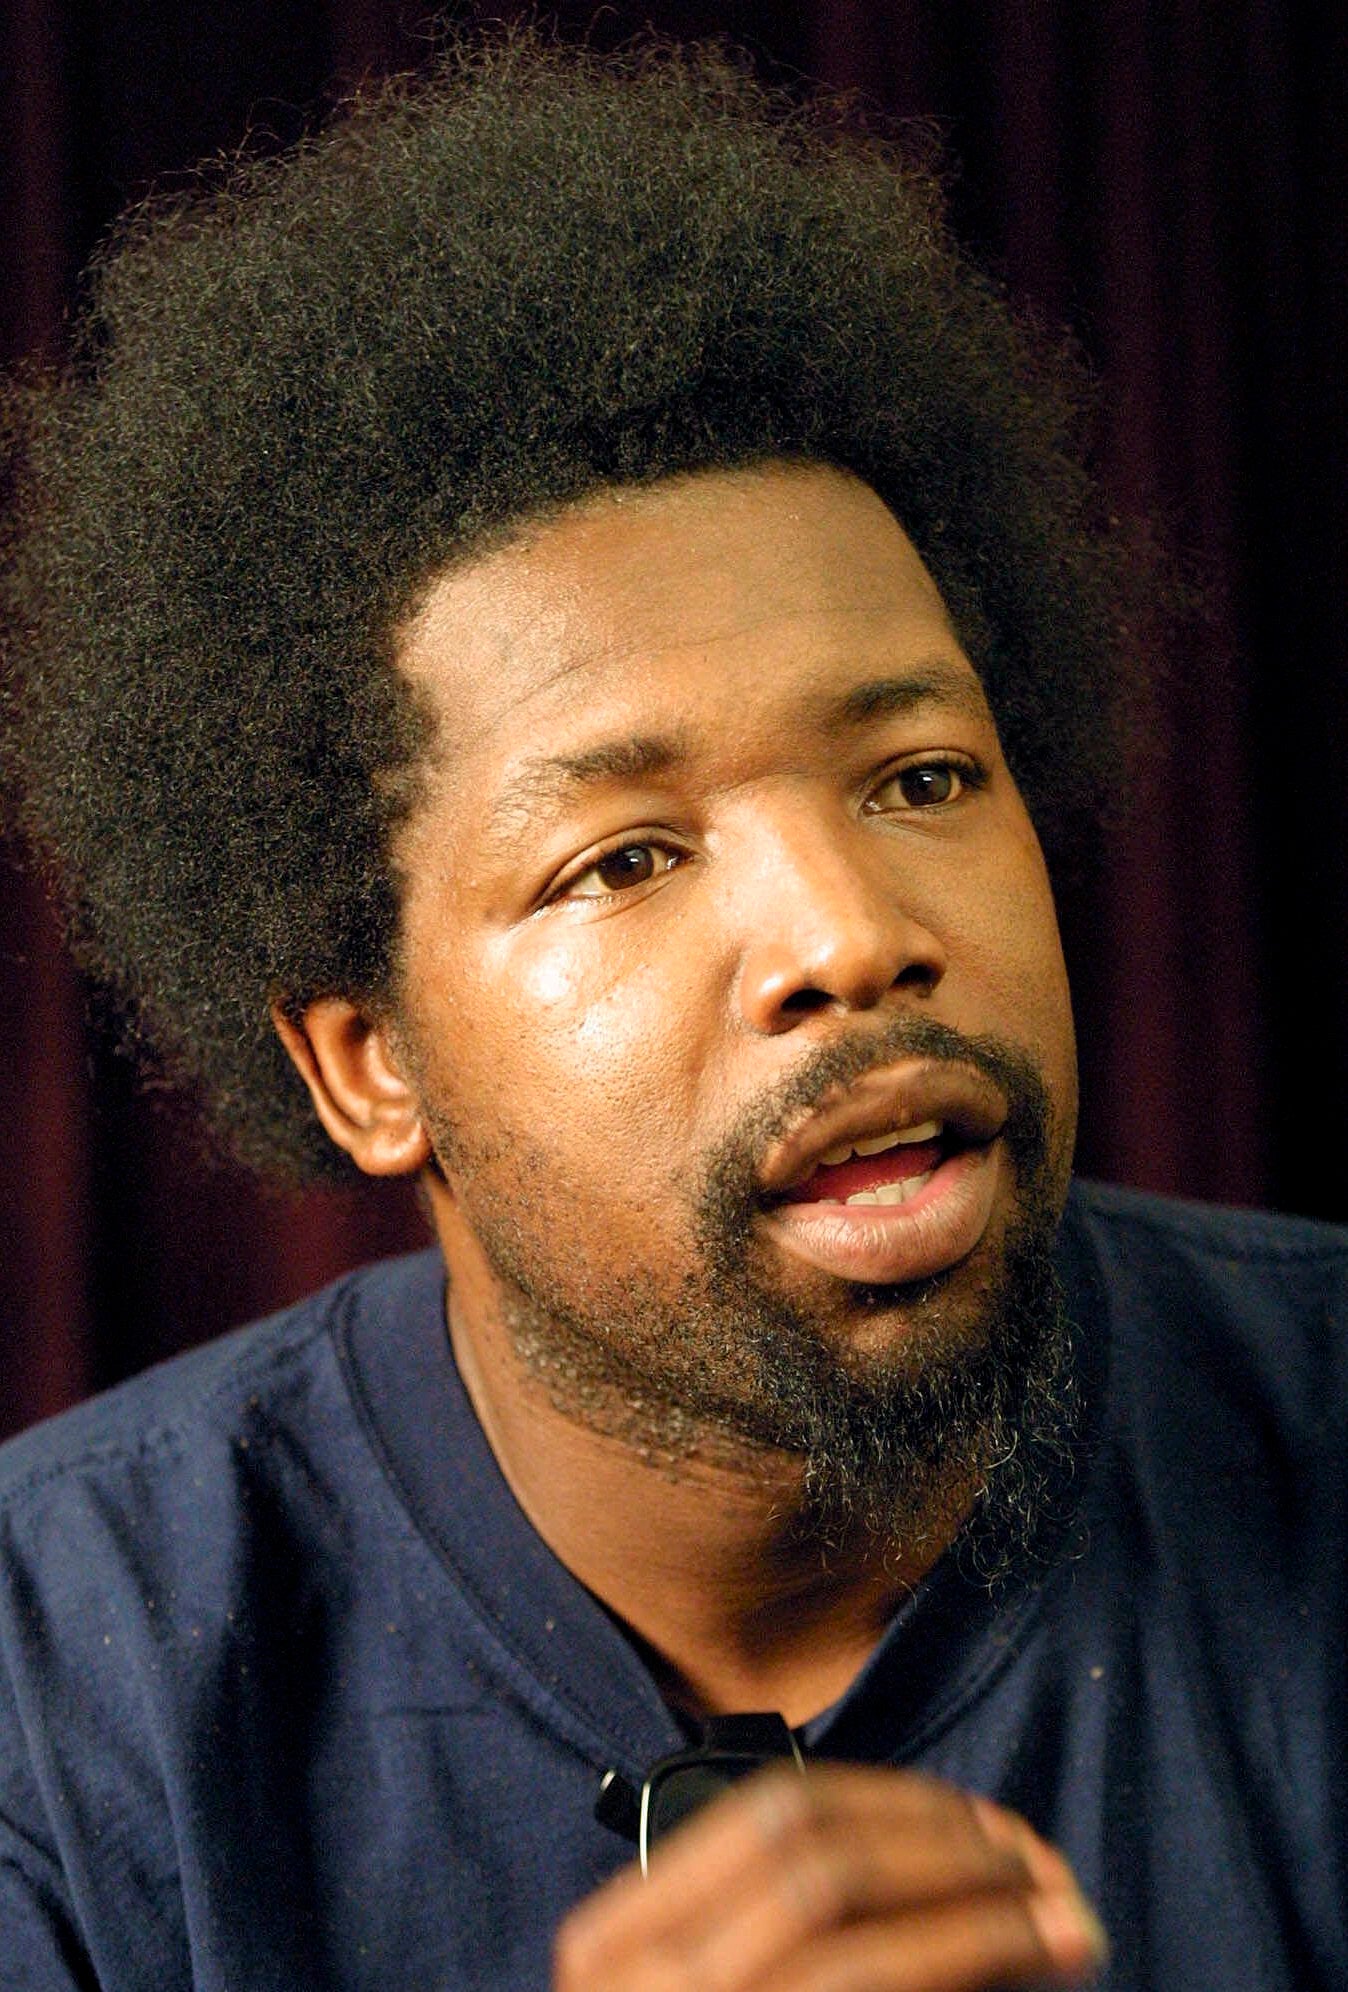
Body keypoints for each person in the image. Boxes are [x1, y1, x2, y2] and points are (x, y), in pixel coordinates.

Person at [1, 29, 1343, 1992]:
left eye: (919, 778)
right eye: (623, 857)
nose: (849, 932)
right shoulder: (54, 1683)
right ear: (368, 1065)